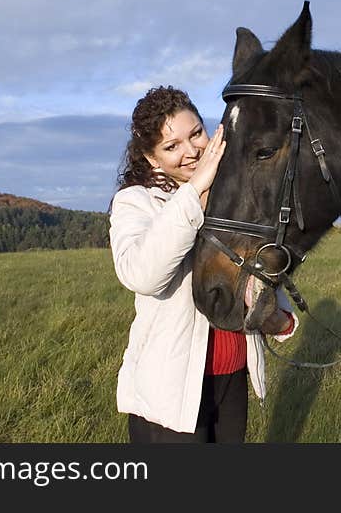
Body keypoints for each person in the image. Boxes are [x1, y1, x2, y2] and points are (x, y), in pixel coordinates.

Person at [109, 85, 298, 443]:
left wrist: (278, 315)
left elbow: (255, 263)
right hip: (171, 392)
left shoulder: (235, 196)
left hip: (232, 377)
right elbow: (141, 275)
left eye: (196, 133)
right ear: (151, 159)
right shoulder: (137, 202)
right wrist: (195, 190)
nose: (192, 150)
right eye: (171, 146)